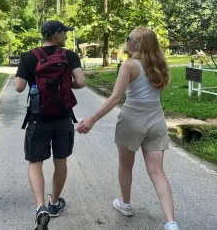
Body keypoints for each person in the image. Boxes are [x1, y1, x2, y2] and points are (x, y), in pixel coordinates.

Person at [76, 27, 180, 230]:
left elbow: (116, 98)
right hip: (156, 119)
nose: (126, 41)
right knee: (157, 171)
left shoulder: (129, 66)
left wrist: (93, 119)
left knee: (125, 165)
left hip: (132, 119)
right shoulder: (159, 65)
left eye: (128, 38)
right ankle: (171, 222)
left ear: (137, 44)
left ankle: (125, 204)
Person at [15, 20, 86, 230]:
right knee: (60, 159)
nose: (66, 36)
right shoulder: (69, 56)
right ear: (56, 35)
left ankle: (40, 207)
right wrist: (63, 85)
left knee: (36, 162)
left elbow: (19, 87)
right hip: (63, 117)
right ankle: (54, 203)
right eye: (64, 32)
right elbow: (81, 83)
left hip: (38, 117)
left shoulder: (29, 56)